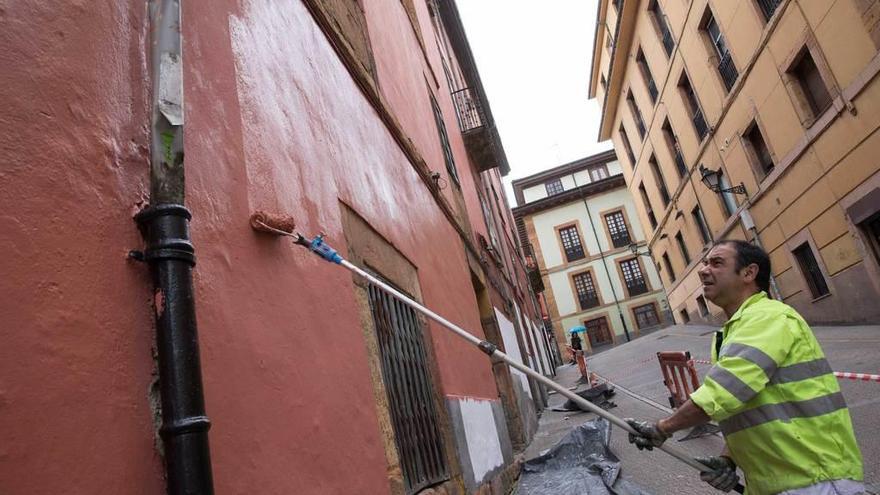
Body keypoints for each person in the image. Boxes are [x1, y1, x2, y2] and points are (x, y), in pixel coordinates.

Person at [625, 240, 864, 495]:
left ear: (749, 273)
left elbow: (722, 393)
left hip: (816, 480)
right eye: (705, 263)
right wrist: (728, 459)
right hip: (781, 483)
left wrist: (663, 428)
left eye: (716, 263)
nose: (703, 270)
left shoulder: (767, 317)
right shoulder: (735, 329)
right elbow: (745, 402)